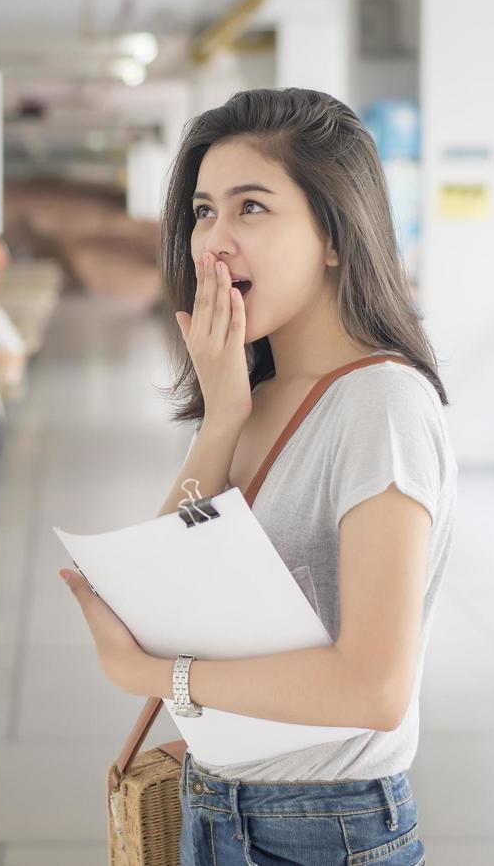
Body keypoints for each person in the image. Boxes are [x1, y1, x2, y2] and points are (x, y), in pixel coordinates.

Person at [60, 87, 456, 865]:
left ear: (335, 235)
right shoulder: (255, 395)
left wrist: (155, 678)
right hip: (219, 803)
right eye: (204, 211)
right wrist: (220, 421)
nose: (213, 241)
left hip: (323, 829)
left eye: (251, 209)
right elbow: (168, 584)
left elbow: (374, 689)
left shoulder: (380, 405)